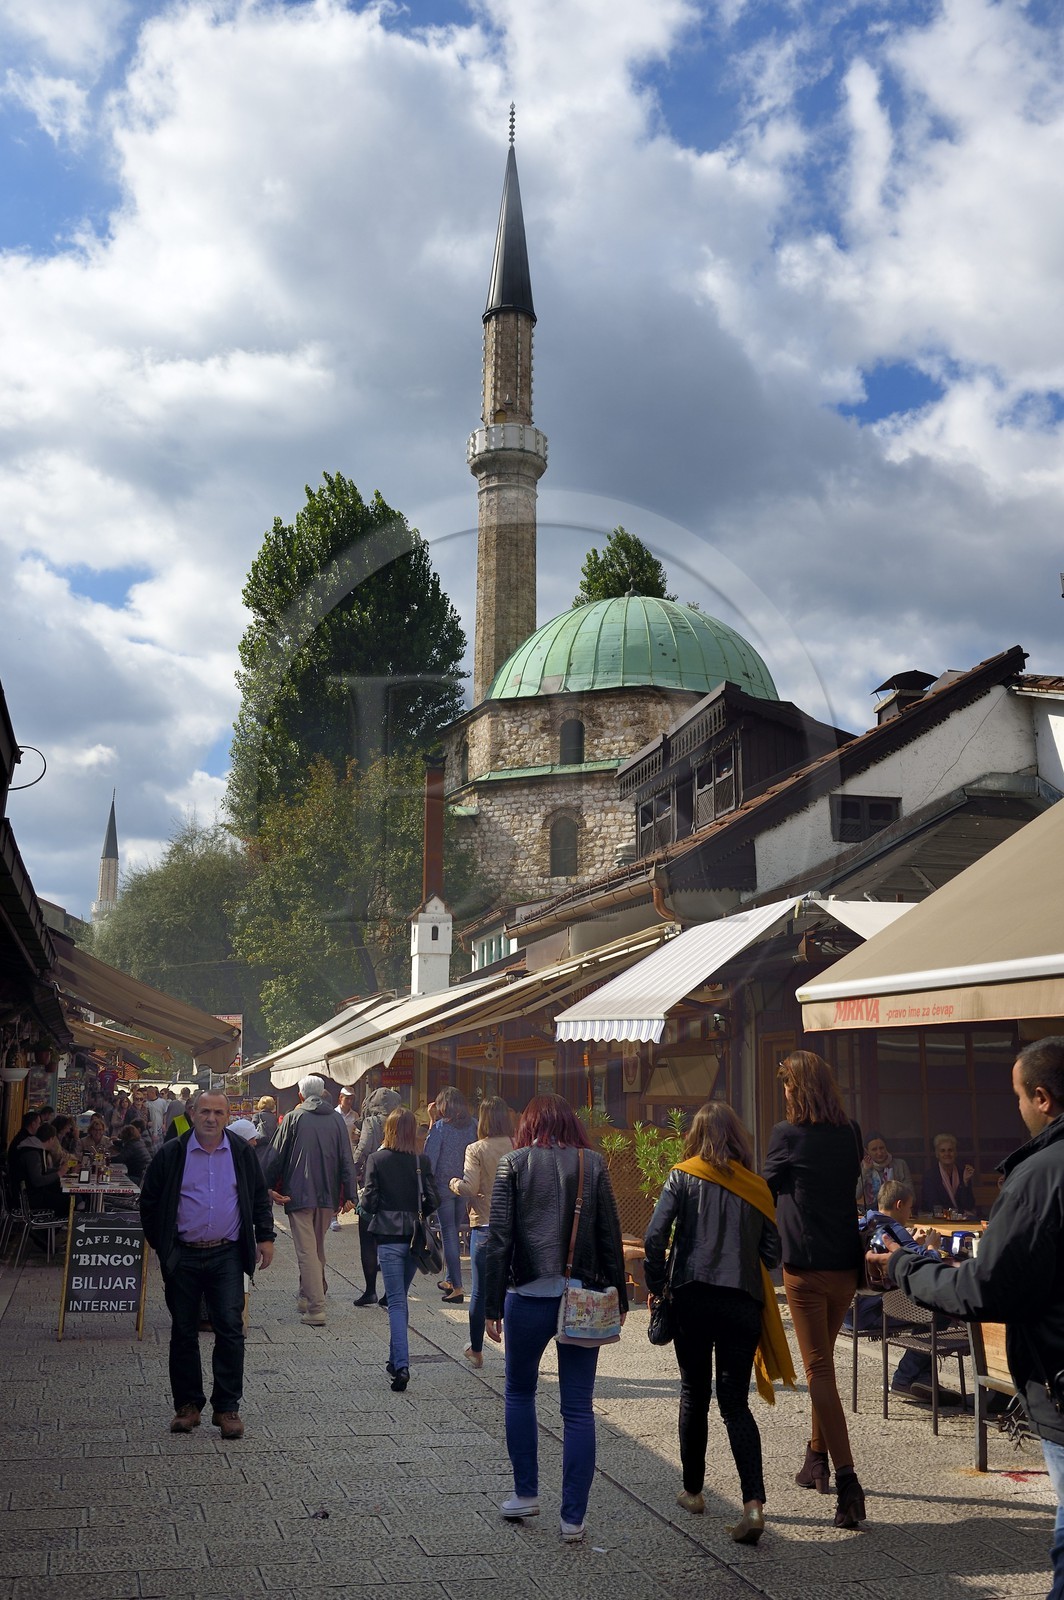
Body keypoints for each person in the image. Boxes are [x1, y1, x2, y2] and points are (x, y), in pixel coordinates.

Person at [882, 1037, 1064, 1600]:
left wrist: (904, 1269)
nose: (1016, 1109)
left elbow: (985, 1290)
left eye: (1017, 1097)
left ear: (1042, 1097)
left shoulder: (1039, 1177)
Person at [482, 1093, 628, 1544]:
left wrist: (489, 1306)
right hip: (580, 1298)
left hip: (525, 1296)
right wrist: (620, 1297)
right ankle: (573, 1519)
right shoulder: (593, 1163)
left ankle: (525, 1492)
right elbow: (609, 1236)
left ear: (529, 1125)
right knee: (578, 1409)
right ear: (571, 1124)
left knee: (519, 1391)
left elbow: (499, 1238)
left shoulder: (514, 1163)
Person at [644, 1101, 791, 1544]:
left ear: (695, 1135)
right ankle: (753, 1504)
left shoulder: (682, 1175)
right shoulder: (757, 1187)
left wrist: (658, 1283)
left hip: (691, 1298)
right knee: (734, 1401)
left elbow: (654, 1238)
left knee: (694, 1392)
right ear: (739, 1138)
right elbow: (773, 1257)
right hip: (742, 1302)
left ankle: (693, 1491)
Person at [763, 1050, 866, 1529]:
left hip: (803, 1264)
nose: (783, 1092)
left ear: (797, 1089)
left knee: (818, 1370)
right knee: (822, 1360)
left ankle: (847, 1480)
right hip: (845, 1263)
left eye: (786, 1085)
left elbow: (765, 1188)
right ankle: (816, 1459)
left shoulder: (787, 1136)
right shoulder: (850, 1132)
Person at [139, 1090, 275, 1439]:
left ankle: (227, 1408)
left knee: (229, 1327)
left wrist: (265, 1237)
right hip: (183, 1253)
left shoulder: (241, 1153)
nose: (211, 1118)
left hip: (226, 1253)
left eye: (218, 1112)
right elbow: (149, 1200)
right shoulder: (173, 1153)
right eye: (204, 1112)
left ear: (228, 1116)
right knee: (183, 1330)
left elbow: (259, 1196)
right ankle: (188, 1406)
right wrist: (162, 1244)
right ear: (192, 1113)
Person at [359, 1107, 440, 1392]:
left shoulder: (377, 1159)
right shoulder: (421, 1160)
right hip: (415, 1240)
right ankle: (395, 1360)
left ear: (389, 1130)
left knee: (395, 1301)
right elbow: (433, 1199)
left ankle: (403, 1365)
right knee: (400, 1298)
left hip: (389, 1237)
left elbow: (369, 1202)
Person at [265, 1074, 356, 1326]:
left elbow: (275, 1155)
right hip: (327, 1194)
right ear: (324, 1093)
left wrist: (266, 1186)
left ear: (301, 1095)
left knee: (306, 1251)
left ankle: (316, 1308)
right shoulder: (337, 1119)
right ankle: (307, 1296)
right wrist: (350, 1194)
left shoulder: (294, 1118)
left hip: (298, 1192)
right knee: (316, 1248)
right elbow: (346, 1158)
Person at [859, 1179, 961, 1405]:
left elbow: (902, 1253)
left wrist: (913, 1244)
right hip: (880, 1309)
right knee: (939, 1306)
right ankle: (906, 1376)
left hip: (856, 1309)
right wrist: (932, 1246)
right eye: (909, 1208)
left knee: (929, 1306)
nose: (910, 1213)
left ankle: (923, 1378)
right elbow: (926, 1267)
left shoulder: (865, 1222)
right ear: (898, 1204)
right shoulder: (893, 1228)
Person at [450, 1095, 514, 1368]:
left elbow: (469, 1186)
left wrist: (453, 1183)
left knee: (479, 1291)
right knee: (512, 1290)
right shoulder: (516, 1146)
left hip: (485, 1225)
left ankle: (477, 1350)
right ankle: (515, 1351)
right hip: (513, 1227)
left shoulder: (475, 1149)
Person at [424, 1085, 477, 1303]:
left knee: (449, 1235)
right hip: (465, 1185)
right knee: (454, 1231)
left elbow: (429, 1159)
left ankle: (457, 1285)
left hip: (444, 1187)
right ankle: (448, 1279)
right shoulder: (473, 1125)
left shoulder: (440, 1128)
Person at [352, 1087, 402, 1307]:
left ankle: (370, 1290)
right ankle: (390, 1292)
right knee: (390, 1242)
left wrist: (352, 1171)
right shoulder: (402, 1120)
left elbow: (362, 1149)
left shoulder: (371, 1123)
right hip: (397, 1187)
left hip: (372, 1184)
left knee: (368, 1241)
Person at [921, 1131, 978, 1217]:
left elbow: (969, 1205)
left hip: (961, 1219)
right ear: (937, 1154)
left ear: (955, 1153)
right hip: (938, 1220)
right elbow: (934, 1206)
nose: (947, 1154)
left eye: (950, 1150)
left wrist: (965, 1182)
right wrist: (959, 1213)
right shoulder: (930, 1176)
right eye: (942, 1151)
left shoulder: (962, 1172)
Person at [855, 1132, 912, 1210]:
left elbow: (911, 1195)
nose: (879, 1152)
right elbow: (856, 1195)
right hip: (870, 1212)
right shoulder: (862, 1167)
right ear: (867, 1151)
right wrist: (866, 1171)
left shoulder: (900, 1165)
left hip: (895, 1211)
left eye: (882, 1148)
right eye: (874, 1149)